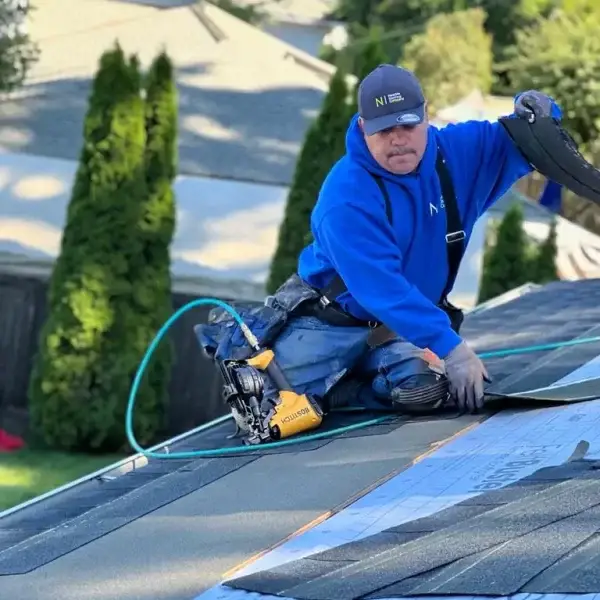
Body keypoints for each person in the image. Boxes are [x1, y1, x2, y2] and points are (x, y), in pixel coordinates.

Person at [198, 63, 561, 421]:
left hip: (392, 331)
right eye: (384, 130)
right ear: (362, 128)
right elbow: (383, 289)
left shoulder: (455, 154)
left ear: (426, 117)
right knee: (266, 409)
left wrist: (538, 110)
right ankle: (321, 374)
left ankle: (349, 388)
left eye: (407, 124)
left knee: (422, 390)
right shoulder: (346, 197)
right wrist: (453, 351)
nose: (398, 139)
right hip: (328, 326)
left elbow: (527, 138)